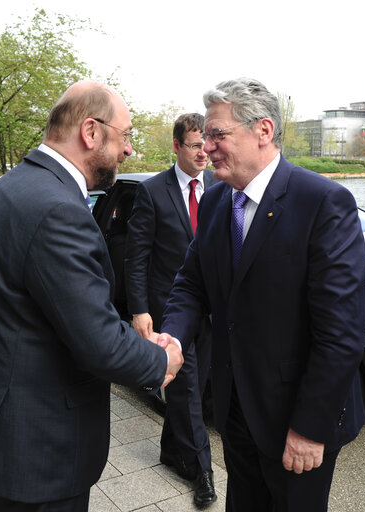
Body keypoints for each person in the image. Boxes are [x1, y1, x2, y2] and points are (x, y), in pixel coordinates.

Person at [0, 80, 183, 511]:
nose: (129, 150)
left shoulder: (10, 185)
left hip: (3, 425)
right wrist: (161, 359)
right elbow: (98, 341)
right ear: (91, 132)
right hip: (39, 447)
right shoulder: (59, 209)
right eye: (126, 135)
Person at [160, 78, 365, 511]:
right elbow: (192, 282)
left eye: (218, 135)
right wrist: (174, 340)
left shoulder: (324, 202)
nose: (207, 146)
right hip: (235, 408)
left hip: (296, 418)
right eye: (204, 135)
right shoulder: (218, 200)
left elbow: (341, 333)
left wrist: (310, 428)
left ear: (264, 130)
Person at [125, 113, 217, 506]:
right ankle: (204, 472)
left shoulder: (219, 185)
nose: (204, 153)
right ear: (177, 147)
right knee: (190, 390)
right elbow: (137, 256)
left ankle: (169, 450)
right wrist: (139, 309)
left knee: (188, 388)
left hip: (212, 311)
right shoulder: (152, 191)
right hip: (170, 311)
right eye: (196, 145)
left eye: (207, 144)